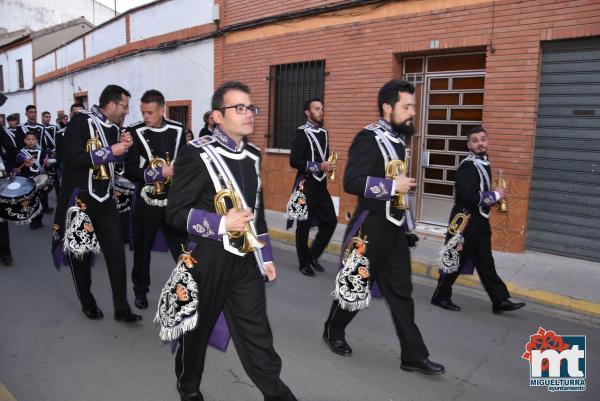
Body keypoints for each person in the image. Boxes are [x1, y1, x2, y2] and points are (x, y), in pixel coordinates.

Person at [164, 81, 297, 401]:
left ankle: (277, 394)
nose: (249, 113)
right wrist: (221, 223)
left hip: (246, 260)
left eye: (251, 107)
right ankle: (189, 388)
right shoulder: (195, 153)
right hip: (207, 259)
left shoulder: (252, 155)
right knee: (196, 331)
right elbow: (176, 214)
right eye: (239, 108)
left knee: (257, 334)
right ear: (217, 116)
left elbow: (257, 209)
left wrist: (265, 256)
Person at [322, 79, 445, 375]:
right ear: (387, 107)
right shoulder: (369, 137)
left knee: (402, 292)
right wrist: (391, 186)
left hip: (395, 230)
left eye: (413, 106)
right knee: (355, 285)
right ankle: (333, 330)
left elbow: (401, 191)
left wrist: (409, 226)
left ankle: (413, 356)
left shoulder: (397, 141)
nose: (412, 112)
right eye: (407, 106)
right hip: (370, 227)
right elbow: (352, 182)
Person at [52, 85, 142, 323]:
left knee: (116, 253)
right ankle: (87, 302)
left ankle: (122, 309)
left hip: (106, 200)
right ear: (111, 104)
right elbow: (71, 161)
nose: (126, 111)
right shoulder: (80, 121)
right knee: (80, 254)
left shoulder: (115, 128)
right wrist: (109, 151)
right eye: (124, 106)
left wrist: (124, 149)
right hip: (79, 200)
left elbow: (116, 166)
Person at [431, 126, 526, 314]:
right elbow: (467, 196)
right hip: (464, 222)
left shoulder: (484, 163)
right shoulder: (468, 165)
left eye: (483, 139)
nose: (480, 143)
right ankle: (440, 296)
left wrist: (494, 196)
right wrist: (495, 196)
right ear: (469, 145)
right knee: (454, 260)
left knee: (486, 262)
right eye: (475, 140)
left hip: (480, 222)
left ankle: (500, 300)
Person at [123, 89, 187, 309]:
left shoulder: (179, 130)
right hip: (147, 200)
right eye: (143, 112)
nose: (145, 117)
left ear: (162, 109)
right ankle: (140, 290)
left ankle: (188, 287)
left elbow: (186, 160)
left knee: (182, 248)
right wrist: (158, 174)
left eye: (150, 112)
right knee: (142, 248)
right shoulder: (133, 132)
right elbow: (129, 170)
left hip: (174, 201)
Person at [289, 98, 337, 276]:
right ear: (308, 113)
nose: (321, 111)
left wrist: (328, 166)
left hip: (320, 185)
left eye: (322, 108)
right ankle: (304, 263)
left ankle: (313, 255)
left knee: (330, 221)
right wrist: (318, 166)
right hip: (305, 184)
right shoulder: (301, 133)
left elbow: (324, 157)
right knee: (304, 225)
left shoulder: (324, 133)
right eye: (317, 109)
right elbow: (294, 161)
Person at [15, 132, 49, 229]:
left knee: (41, 200)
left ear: (36, 141)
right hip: (27, 180)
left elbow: (46, 165)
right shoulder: (21, 152)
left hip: (39, 180)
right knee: (32, 201)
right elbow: (17, 164)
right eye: (28, 139)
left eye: (33, 139)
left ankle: (39, 219)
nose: (30, 141)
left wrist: (47, 163)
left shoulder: (41, 151)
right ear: (25, 141)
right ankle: (34, 221)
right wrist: (23, 163)